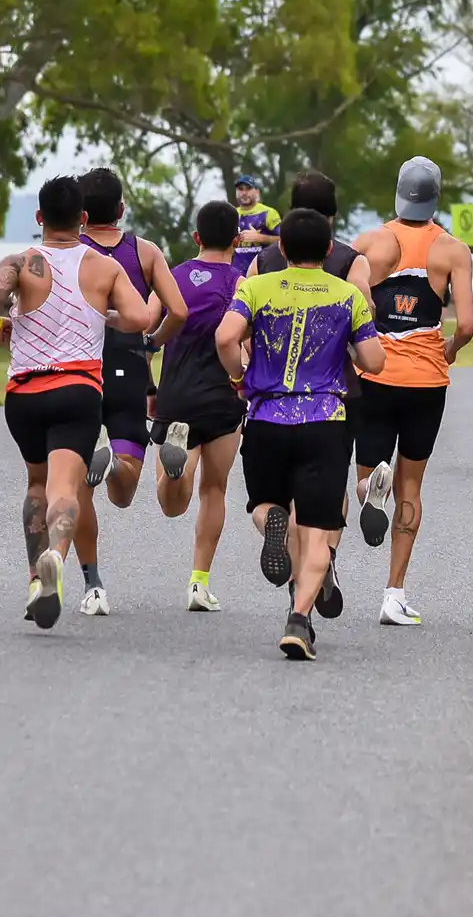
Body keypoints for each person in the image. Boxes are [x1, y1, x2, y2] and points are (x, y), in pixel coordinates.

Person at [0, 176, 148, 630]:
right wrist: (104, 315)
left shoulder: (20, 261)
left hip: (25, 393)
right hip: (78, 390)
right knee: (65, 490)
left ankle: (37, 580)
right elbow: (140, 317)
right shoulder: (102, 266)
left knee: (36, 484)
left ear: (39, 219)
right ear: (84, 219)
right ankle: (56, 554)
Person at [216, 208, 386, 660]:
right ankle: (298, 620)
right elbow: (374, 362)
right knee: (317, 532)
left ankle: (272, 522)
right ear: (330, 250)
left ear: (282, 249)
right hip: (325, 422)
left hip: (267, 417)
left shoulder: (254, 287)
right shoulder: (347, 294)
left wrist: (239, 378)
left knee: (264, 505)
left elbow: (224, 337)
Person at [351, 156, 473, 626]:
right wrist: (449, 348)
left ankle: (369, 490)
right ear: (436, 197)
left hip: (376, 374)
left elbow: (350, 306)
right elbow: (465, 323)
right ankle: (394, 594)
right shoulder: (452, 250)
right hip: (426, 382)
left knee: (367, 475)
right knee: (412, 483)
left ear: (398, 193)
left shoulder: (369, 244)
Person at [250, 170, 373, 606]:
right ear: (334, 217)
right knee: (324, 491)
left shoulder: (265, 262)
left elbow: (241, 329)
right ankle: (325, 560)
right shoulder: (350, 260)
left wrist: (245, 368)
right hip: (335, 394)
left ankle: (295, 585)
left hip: (270, 398)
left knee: (279, 496)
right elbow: (365, 324)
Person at [73, 167, 188, 617]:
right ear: (121, 209)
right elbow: (177, 311)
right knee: (122, 493)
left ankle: (93, 584)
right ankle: (116, 460)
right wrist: (151, 342)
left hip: (78, 368)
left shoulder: (69, 251)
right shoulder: (144, 252)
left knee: (78, 484)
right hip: (128, 367)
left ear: (81, 214)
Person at [151, 201, 250, 612]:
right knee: (215, 490)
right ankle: (199, 583)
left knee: (172, 504)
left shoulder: (172, 278)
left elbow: (148, 329)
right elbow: (245, 342)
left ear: (195, 238)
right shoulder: (242, 283)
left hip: (175, 395)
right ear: (238, 240)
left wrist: (146, 384)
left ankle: (177, 471)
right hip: (223, 398)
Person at [232, 175, 282, 275]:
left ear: (257, 192)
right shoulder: (232, 214)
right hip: (236, 275)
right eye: (240, 189)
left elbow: (284, 239)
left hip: (263, 272)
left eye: (248, 189)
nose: (244, 193)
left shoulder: (268, 213)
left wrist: (260, 238)